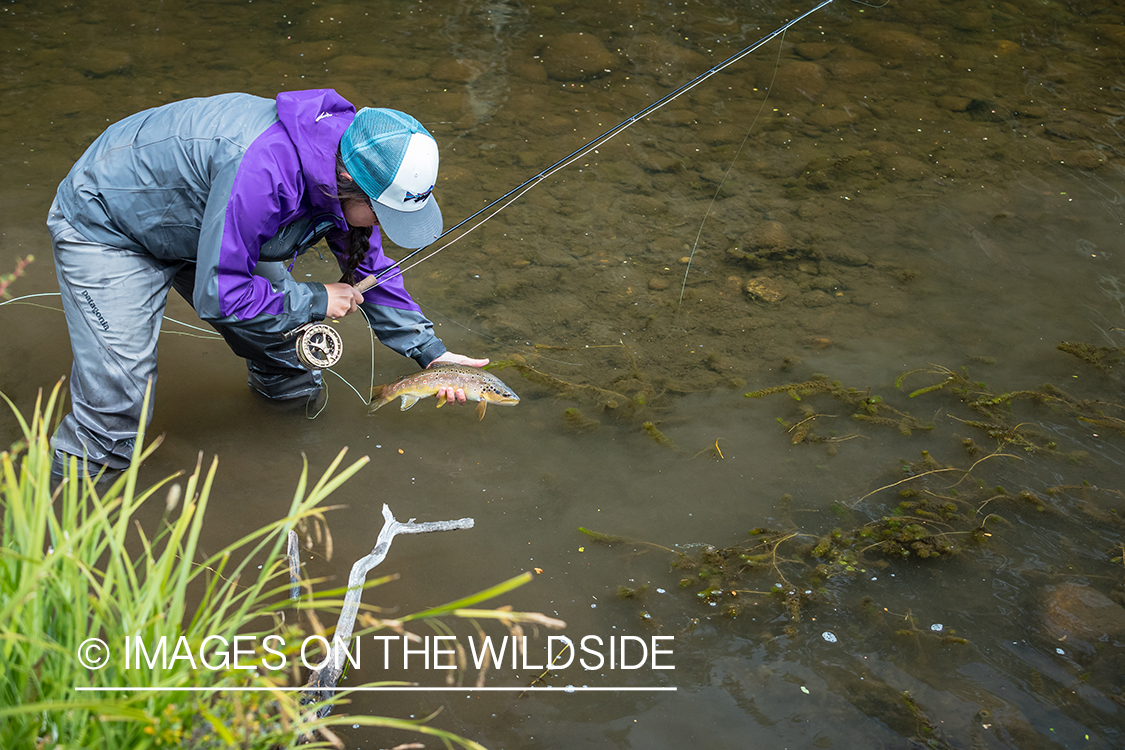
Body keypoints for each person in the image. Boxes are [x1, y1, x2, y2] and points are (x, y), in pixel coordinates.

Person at [47, 89, 486, 479]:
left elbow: (369, 265)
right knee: (118, 402)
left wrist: (431, 354)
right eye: (384, 215)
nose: (385, 227)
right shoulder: (264, 173)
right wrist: (316, 298)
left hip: (209, 224)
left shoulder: (347, 163)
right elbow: (222, 296)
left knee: (292, 359)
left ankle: (287, 455)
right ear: (351, 183)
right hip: (109, 223)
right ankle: (62, 529)